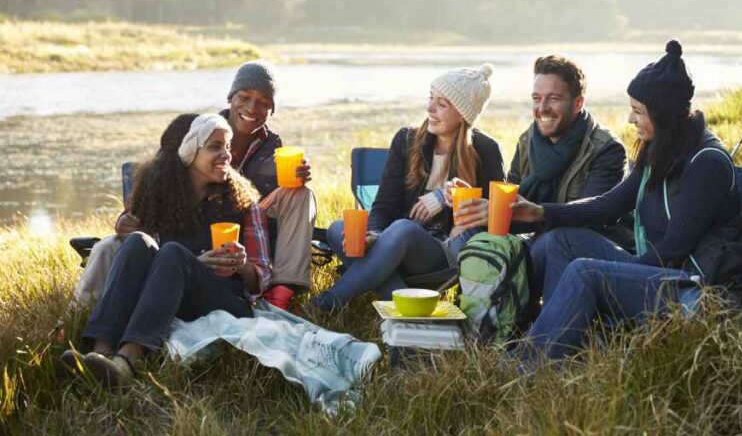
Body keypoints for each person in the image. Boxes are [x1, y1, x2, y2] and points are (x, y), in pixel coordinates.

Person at [510, 41, 742, 361]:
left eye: (637, 111)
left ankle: (531, 363)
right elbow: (610, 204)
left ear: (662, 115)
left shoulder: (707, 163)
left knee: (586, 272)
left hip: (690, 286)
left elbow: (672, 251)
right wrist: (540, 212)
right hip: (655, 268)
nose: (631, 119)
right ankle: (559, 341)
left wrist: (615, 271)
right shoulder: (661, 149)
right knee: (561, 240)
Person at [70, 60, 316, 312]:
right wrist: (127, 218)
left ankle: (282, 292)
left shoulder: (272, 145)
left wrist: (296, 177)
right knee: (107, 246)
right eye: (245, 97)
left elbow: (264, 201)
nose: (253, 107)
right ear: (231, 97)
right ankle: (77, 319)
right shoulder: (197, 129)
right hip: (190, 220)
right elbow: (160, 178)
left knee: (301, 194)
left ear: (272, 109)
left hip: (244, 217)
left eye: (264, 103)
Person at [61, 113, 271, 386]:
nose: (226, 155)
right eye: (215, 147)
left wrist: (240, 265)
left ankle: (127, 361)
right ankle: (100, 354)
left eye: (227, 147)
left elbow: (262, 278)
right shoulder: (160, 195)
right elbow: (142, 256)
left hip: (225, 300)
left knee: (171, 252)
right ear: (189, 152)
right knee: (137, 241)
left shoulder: (245, 204)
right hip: (171, 297)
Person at [313, 64, 504, 312]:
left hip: (439, 255)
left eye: (442, 104)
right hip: (392, 245)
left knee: (404, 228)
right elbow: (384, 205)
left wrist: (448, 197)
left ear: (463, 115)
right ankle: (405, 305)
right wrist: (375, 235)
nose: (429, 108)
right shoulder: (406, 140)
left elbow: (498, 218)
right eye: (430, 97)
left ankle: (328, 303)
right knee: (337, 229)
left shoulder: (485, 150)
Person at [453, 55, 629, 305]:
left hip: (585, 247)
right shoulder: (527, 142)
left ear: (578, 103)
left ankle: (533, 322)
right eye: (536, 98)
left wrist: (532, 214)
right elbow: (511, 201)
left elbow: (589, 220)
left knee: (548, 242)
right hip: (536, 237)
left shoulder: (606, 149)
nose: (542, 108)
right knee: (471, 233)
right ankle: (479, 318)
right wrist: (483, 209)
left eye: (553, 98)